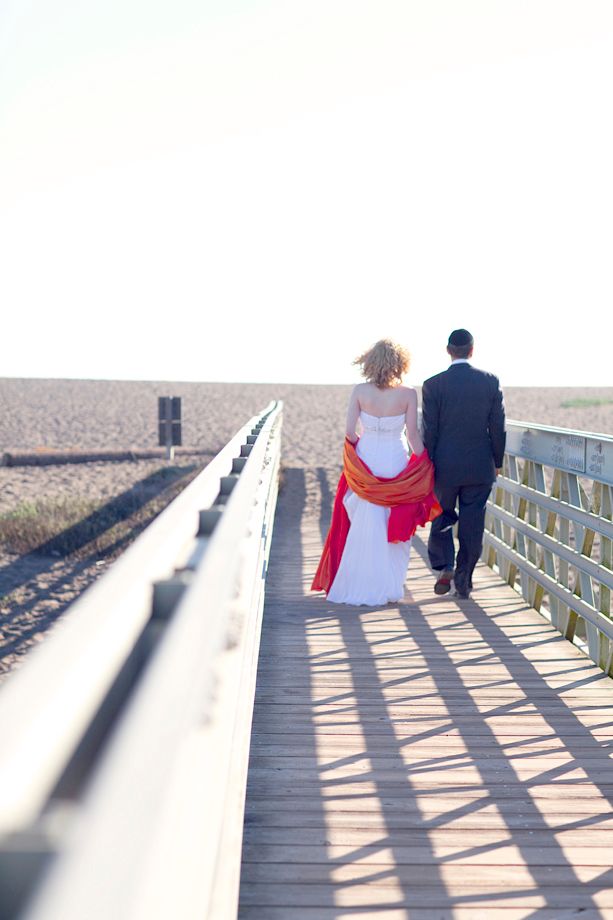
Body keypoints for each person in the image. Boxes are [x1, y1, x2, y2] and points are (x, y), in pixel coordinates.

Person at [312, 339, 441, 606]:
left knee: (363, 522)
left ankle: (357, 583)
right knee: (392, 521)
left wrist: (358, 455)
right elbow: (413, 435)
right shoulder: (407, 394)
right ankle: (389, 586)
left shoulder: (360, 391)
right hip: (394, 460)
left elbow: (349, 432)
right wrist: (424, 462)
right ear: (400, 364)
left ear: (370, 362)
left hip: (366, 461)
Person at [422, 328, 506, 599]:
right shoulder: (490, 382)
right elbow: (498, 427)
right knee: (472, 523)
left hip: (444, 466)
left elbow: (429, 430)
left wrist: (428, 463)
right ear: (472, 350)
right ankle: (464, 578)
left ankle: (445, 564)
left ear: (449, 351)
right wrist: (497, 461)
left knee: (443, 515)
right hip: (479, 465)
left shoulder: (433, 385)